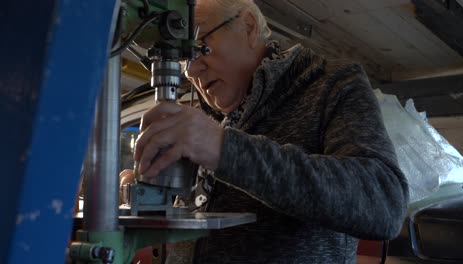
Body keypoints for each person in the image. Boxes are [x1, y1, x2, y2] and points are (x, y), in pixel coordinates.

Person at [128, 0, 409, 263]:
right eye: (184, 61)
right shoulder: (202, 117)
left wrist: (224, 148)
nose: (191, 71)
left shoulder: (329, 84)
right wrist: (147, 192)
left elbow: (384, 204)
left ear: (248, 27)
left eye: (201, 46)